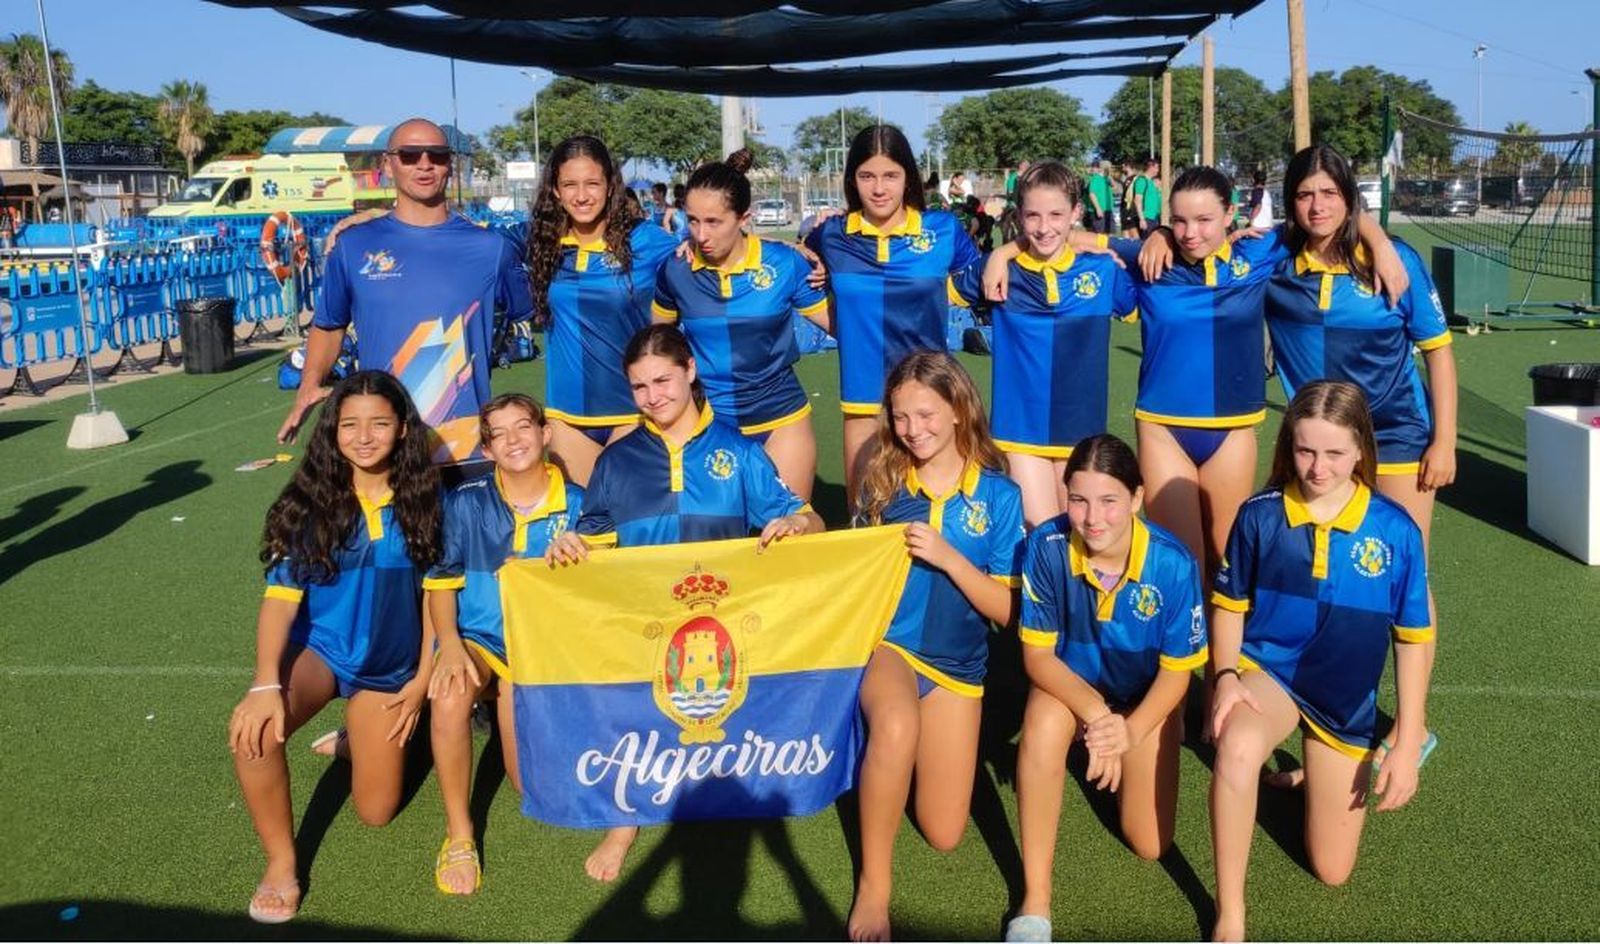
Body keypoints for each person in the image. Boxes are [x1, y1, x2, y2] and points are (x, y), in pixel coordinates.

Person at [545, 324, 823, 883]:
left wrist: (797, 520)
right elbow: (594, 551)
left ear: (691, 372)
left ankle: (734, 783)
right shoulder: (617, 463)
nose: (653, 397)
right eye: (640, 386)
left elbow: (810, 520)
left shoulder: (739, 453)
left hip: (727, 632)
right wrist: (570, 544)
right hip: (645, 633)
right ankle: (626, 821)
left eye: (663, 380)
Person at [1209, 381, 1434, 942]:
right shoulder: (1259, 516)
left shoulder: (1395, 530)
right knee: (1238, 749)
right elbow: (1229, 606)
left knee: (1332, 872)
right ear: (1289, 444)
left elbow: (1412, 638)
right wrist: (1226, 676)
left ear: (1362, 449)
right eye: (1306, 450)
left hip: (1346, 701)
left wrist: (1406, 739)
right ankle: (1230, 913)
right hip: (1274, 677)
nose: (1318, 467)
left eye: (1335, 453)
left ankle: (1317, 770)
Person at [230, 370, 440, 924]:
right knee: (253, 735)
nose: (364, 436)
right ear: (332, 430)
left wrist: (421, 680)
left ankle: (356, 737)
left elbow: (435, 600)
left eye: (379, 423)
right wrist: (265, 683)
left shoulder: (427, 497)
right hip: (322, 651)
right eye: (350, 424)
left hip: (391, 667)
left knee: (376, 812)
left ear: (402, 430)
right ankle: (281, 862)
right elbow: (280, 599)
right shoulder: (310, 499)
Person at [846, 351, 1024, 942]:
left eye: (925, 414)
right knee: (895, 725)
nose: (913, 430)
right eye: (900, 417)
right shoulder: (882, 480)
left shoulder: (1000, 497)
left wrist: (949, 557)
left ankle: (884, 757)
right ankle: (875, 884)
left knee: (944, 831)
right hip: (889, 648)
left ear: (957, 411)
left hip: (958, 668)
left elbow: (1008, 612)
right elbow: (850, 575)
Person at [1006, 434, 1206, 943]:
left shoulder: (1173, 564)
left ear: (1137, 499)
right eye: (1078, 499)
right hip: (1073, 690)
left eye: (1110, 501)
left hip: (1141, 700)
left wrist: (1130, 732)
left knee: (1150, 843)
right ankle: (1035, 899)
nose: (1093, 518)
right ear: (1065, 495)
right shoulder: (1045, 548)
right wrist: (1097, 716)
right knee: (1044, 721)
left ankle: (1125, 749)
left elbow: (1177, 672)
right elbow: (1037, 657)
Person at [277, 118, 533, 486]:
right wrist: (308, 386)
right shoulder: (353, 245)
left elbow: (539, 312)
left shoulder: (490, 248)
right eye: (410, 155)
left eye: (438, 155)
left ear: (451, 164)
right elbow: (330, 324)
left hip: (464, 449)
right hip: (383, 446)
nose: (425, 164)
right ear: (387, 164)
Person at [423, 392, 584, 895]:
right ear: (487, 449)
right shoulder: (465, 502)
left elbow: (601, 594)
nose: (513, 441)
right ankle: (459, 832)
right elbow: (441, 583)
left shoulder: (580, 504)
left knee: (527, 786)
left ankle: (514, 715)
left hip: (540, 653)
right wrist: (448, 643)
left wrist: (580, 561)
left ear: (545, 434)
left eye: (523, 428)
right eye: (499, 434)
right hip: (480, 640)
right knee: (449, 691)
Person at [950, 161, 1136, 526]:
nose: (1044, 227)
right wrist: (1001, 254)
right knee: (1044, 533)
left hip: (1082, 430)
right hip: (1020, 432)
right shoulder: (998, 269)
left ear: (1076, 212)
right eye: (1032, 215)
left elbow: (1152, 257)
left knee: (1084, 535)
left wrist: (1098, 241)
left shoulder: (1102, 271)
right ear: (1018, 215)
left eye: (1056, 214)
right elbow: (930, 289)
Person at [805, 124, 982, 501]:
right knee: (864, 521)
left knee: (938, 519)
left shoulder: (942, 230)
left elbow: (985, 275)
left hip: (931, 398)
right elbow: (792, 263)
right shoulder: (832, 234)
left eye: (891, 175)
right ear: (852, 180)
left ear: (908, 178)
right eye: (867, 176)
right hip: (862, 400)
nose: (879, 188)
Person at [651, 149, 831, 499]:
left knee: (786, 539)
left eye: (714, 222)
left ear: (743, 218)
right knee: (718, 542)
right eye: (693, 220)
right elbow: (657, 346)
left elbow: (843, 327)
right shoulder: (675, 269)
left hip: (781, 421)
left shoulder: (785, 263)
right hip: (708, 425)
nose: (701, 234)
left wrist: (831, 256)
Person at [528, 134, 682, 486]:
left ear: (611, 185)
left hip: (635, 409)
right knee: (589, 531)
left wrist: (793, 249)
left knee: (635, 530)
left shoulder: (646, 240)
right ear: (554, 189)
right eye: (569, 184)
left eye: (592, 183)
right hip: (567, 416)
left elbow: (710, 249)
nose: (581, 196)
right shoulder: (540, 241)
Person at [1085, 160, 1115, 235]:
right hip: (1100, 210)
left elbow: (1114, 185)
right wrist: (1098, 208)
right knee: (1099, 235)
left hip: (1108, 210)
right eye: (1110, 167)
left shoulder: (1106, 179)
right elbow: (1092, 194)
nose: (1111, 169)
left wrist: (1109, 176)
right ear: (1104, 168)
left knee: (1109, 233)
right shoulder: (1096, 178)